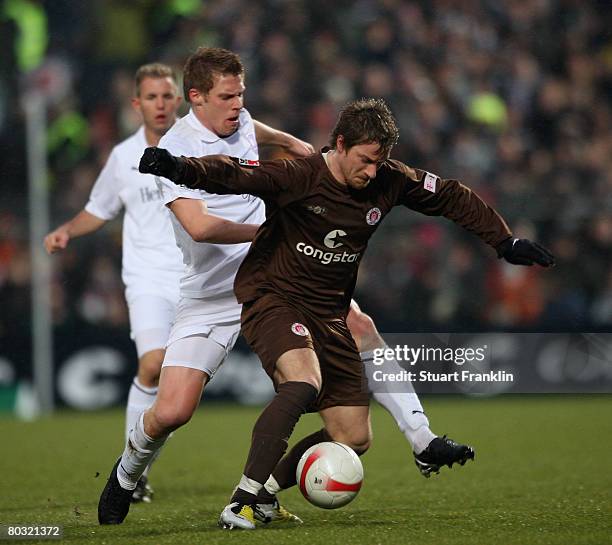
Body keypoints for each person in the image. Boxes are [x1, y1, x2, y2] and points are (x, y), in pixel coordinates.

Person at [97, 49, 474, 527]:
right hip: (212, 295)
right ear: (196, 98)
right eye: (227, 96)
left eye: (241, 94)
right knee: (172, 411)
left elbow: (265, 134)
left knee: (360, 338)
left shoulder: (240, 120)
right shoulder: (176, 150)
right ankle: (127, 473)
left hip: (281, 278)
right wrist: (271, 232)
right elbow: (199, 226)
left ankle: (420, 440)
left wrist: (301, 150)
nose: (238, 104)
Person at [138, 97, 555, 529]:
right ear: (339, 144)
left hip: (329, 309)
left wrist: (504, 242)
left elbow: (450, 196)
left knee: (353, 437)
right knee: (302, 383)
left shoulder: (388, 179)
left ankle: (266, 494)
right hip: (274, 296)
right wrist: (179, 167)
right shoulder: (301, 175)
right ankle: (240, 501)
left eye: (380, 162)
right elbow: (236, 173)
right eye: (366, 160)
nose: (372, 172)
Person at [44, 63, 183, 503]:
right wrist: (67, 229)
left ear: (178, 99)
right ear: (136, 103)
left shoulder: (199, 145)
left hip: (199, 277)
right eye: (152, 97)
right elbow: (100, 208)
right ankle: (133, 471)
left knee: (180, 394)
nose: (160, 104)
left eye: (167, 96)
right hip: (146, 279)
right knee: (152, 365)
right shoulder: (124, 157)